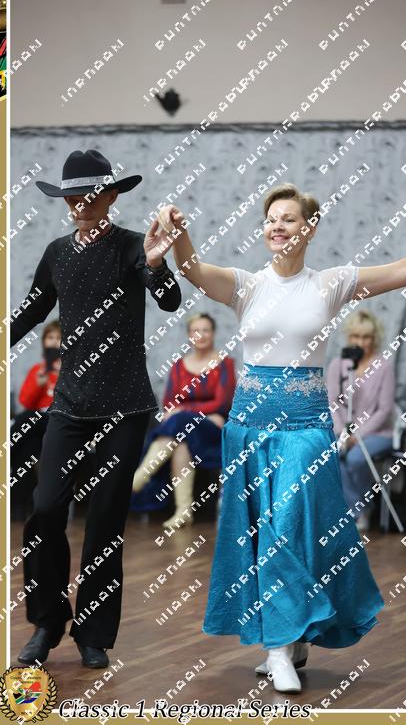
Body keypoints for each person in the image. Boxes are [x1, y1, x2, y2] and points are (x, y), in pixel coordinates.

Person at [155, 183, 406, 694]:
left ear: (309, 227)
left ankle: (279, 648)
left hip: (306, 426)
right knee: (262, 535)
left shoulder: (329, 284)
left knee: (288, 525)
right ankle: (291, 634)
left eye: (287, 218)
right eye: (270, 219)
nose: (277, 226)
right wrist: (180, 235)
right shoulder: (246, 285)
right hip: (249, 426)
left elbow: (399, 272)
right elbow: (192, 270)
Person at [10, 149, 182, 668]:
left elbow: (170, 299)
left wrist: (157, 265)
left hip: (124, 409)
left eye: (89, 195)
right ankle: (47, 622)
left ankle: (94, 635)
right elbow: (31, 311)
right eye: (71, 197)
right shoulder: (56, 253)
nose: (79, 205)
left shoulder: (134, 247)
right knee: (44, 510)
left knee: (105, 522)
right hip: (69, 405)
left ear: (110, 196)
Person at [131, 312, 236, 527]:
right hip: (186, 431)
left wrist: (185, 411)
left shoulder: (224, 363)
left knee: (180, 420)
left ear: (213, 333)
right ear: (189, 335)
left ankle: (139, 478)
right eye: (196, 330)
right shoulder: (179, 365)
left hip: (212, 431)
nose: (201, 335)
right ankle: (184, 510)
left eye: (206, 330)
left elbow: (222, 403)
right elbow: (169, 403)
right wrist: (188, 412)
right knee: (181, 441)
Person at [326, 310, 395, 531]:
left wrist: (359, 434)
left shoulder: (383, 366)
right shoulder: (338, 364)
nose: (361, 342)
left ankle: (360, 510)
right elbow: (332, 402)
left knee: (355, 458)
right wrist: (343, 433)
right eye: (356, 336)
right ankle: (359, 509)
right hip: (342, 431)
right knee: (332, 457)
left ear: (374, 339)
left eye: (366, 337)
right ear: (349, 338)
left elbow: (384, 410)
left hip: (377, 432)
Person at [11, 320, 62, 520]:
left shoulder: (73, 370)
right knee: (28, 449)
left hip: (58, 420)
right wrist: (39, 382)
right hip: (37, 424)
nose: (54, 342)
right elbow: (25, 401)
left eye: (59, 338)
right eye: (50, 337)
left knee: (26, 419)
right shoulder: (38, 370)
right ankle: (19, 506)